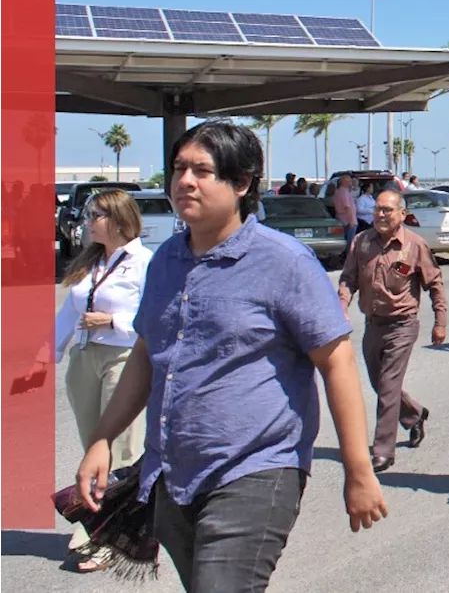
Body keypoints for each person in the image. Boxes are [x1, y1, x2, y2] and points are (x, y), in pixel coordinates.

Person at [75, 120, 386, 593]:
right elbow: (146, 355)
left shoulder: (283, 262)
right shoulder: (164, 262)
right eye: (179, 168)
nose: (184, 181)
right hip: (173, 473)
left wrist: (358, 470)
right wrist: (102, 439)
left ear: (241, 183)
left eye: (202, 170)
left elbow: (336, 362)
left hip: (256, 469)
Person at [39, 189, 153, 572]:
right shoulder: (90, 262)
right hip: (85, 359)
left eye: (95, 215)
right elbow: (68, 314)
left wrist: (114, 322)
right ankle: (96, 520)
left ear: (118, 221)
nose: (87, 222)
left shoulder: (143, 263)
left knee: (118, 449)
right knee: (94, 446)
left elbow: (153, 317)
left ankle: (105, 535)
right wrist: (46, 356)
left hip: (124, 358)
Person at [338, 189, 447, 472]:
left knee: (388, 386)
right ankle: (414, 415)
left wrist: (440, 322)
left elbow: (435, 284)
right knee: (380, 384)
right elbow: (348, 279)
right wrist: (341, 308)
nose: (381, 215)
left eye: (387, 210)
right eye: (377, 209)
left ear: (402, 214)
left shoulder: (414, 245)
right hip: (373, 325)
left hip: (402, 325)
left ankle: (382, 451)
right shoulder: (362, 242)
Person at [333, 174, 357, 248]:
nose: (351, 182)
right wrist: (351, 220)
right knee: (349, 241)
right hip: (347, 220)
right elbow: (347, 207)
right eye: (349, 181)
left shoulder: (339, 191)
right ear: (344, 182)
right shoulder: (343, 191)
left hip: (344, 219)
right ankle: (349, 256)